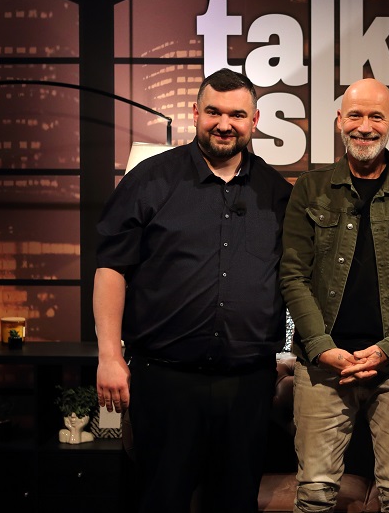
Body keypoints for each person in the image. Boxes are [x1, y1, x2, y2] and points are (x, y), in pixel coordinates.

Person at [93, 68, 292, 513]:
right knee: (160, 501)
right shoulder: (150, 179)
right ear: (195, 113)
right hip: (164, 382)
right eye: (214, 112)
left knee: (235, 503)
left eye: (237, 115)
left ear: (255, 120)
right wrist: (109, 356)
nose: (224, 124)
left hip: (247, 386)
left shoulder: (277, 193)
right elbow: (111, 268)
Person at [280, 78, 389, 513]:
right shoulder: (309, 189)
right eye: (355, 115)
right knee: (313, 494)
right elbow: (293, 275)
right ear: (339, 120)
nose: (365, 126)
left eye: (376, 116)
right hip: (322, 367)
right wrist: (322, 348)